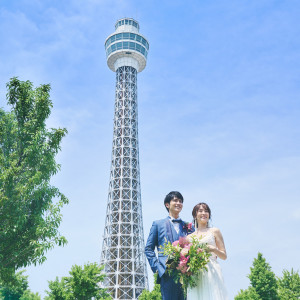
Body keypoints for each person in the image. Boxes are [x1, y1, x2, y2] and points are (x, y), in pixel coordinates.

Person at [145, 191, 194, 300]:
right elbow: (148, 248)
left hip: (186, 274)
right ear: (167, 204)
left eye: (181, 201)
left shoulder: (189, 227)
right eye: (175, 200)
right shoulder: (157, 224)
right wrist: (157, 268)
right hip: (167, 273)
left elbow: (194, 247)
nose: (178, 203)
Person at [187, 202, 228, 300]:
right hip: (196, 273)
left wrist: (213, 249)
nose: (204, 213)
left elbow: (224, 256)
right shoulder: (189, 238)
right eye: (200, 211)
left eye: (206, 211)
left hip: (212, 270)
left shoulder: (214, 231)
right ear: (195, 215)